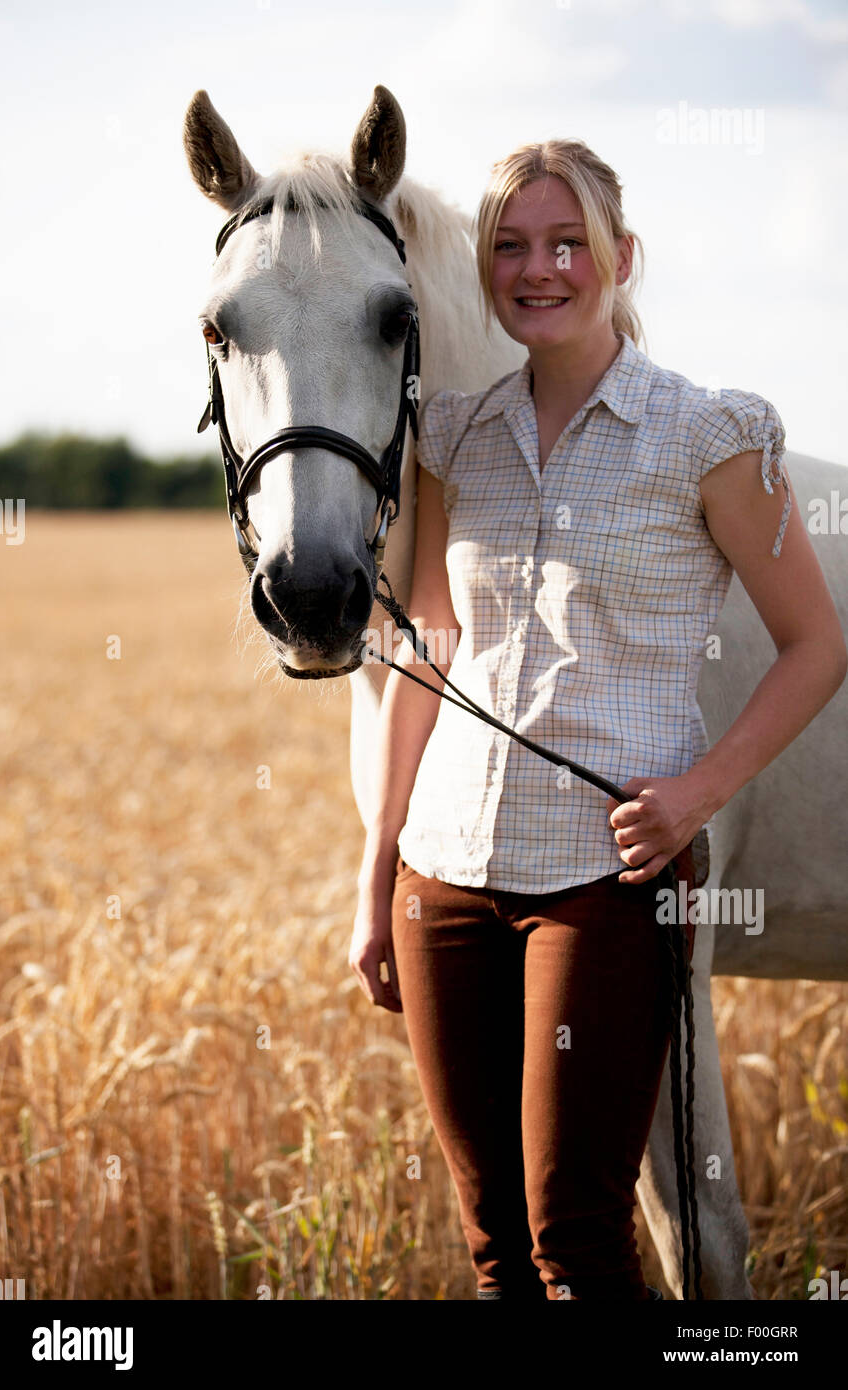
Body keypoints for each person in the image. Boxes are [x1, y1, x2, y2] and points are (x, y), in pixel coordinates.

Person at [348, 139, 846, 1301]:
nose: (539, 269)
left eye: (566, 243)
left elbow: (814, 646)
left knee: (577, 1244)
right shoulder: (452, 440)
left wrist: (698, 792)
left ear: (621, 258)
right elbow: (423, 654)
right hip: (445, 884)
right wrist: (376, 873)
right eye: (511, 247)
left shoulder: (710, 435)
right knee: (496, 1254)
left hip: (602, 883)